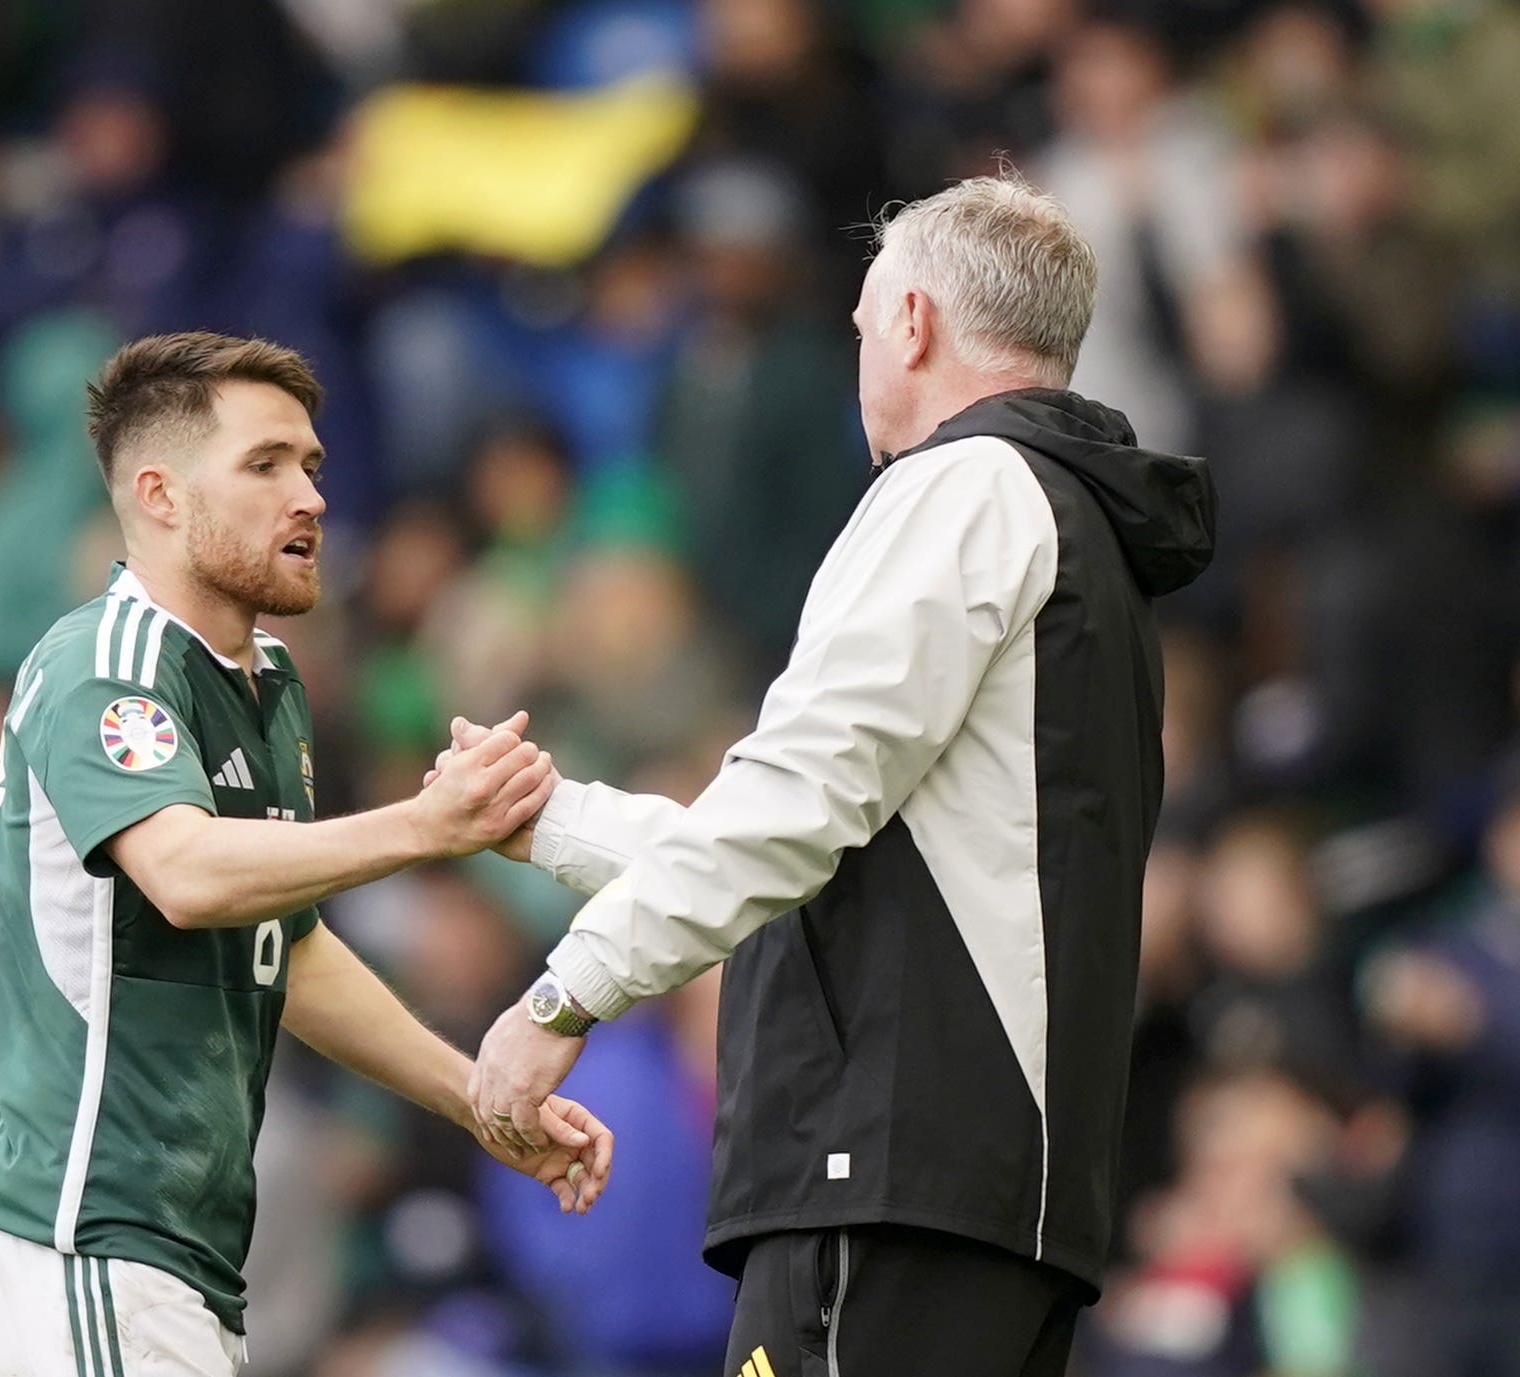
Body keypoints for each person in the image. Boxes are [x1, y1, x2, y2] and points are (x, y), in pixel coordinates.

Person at [461, 176, 1218, 1376]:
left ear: (912, 323)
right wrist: (556, 820)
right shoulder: (1065, 523)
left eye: (861, 325)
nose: (857, 354)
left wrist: (564, 997)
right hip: (977, 1188)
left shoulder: (956, 486)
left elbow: (797, 808)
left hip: (885, 1171)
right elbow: (840, 857)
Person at [0, 332, 613, 1377]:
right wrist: (422, 825)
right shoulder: (102, 662)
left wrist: (471, 1094)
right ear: (159, 495)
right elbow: (186, 873)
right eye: (263, 466)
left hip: (180, 1260)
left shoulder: (270, 686)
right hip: (80, 1239)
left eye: (309, 466)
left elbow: (286, 955)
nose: (307, 497)